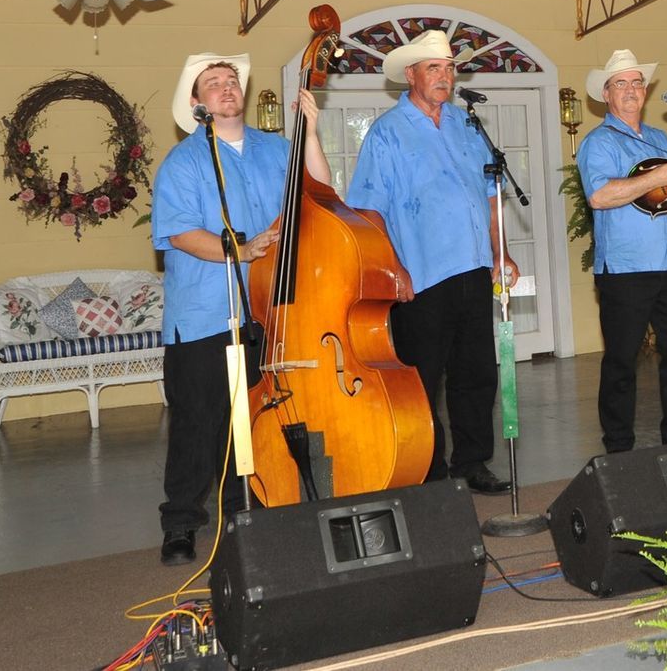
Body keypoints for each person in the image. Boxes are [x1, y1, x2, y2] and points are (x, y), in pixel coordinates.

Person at [149, 53, 329, 566]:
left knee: (256, 417)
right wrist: (242, 251)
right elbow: (179, 233)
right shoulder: (183, 161)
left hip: (269, 308)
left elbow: (320, 193)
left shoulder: (277, 148)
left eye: (232, 81)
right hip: (203, 313)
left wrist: (311, 133)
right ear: (196, 102)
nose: (227, 88)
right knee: (198, 422)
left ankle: (246, 508)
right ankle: (181, 523)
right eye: (213, 83)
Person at [346, 29, 517, 494]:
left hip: (473, 267)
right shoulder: (387, 132)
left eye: (449, 68)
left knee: (476, 373)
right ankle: (430, 471)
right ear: (411, 75)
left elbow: (491, 196)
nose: (445, 76)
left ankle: (472, 463)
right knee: (423, 378)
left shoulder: (467, 126)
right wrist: (392, 268)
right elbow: (369, 209)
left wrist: (500, 251)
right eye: (434, 68)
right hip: (420, 275)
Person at [576, 49, 667, 454]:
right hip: (624, 269)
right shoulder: (598, 142)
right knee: (621, 361)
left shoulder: (660, 139)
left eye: (636, 83)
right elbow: (599, 196)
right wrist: (660, 174)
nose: (630, 90)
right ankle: (619, 450)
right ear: (606, 94)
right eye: (621, 84)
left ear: (645, 91)